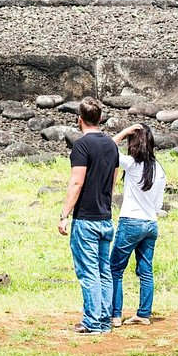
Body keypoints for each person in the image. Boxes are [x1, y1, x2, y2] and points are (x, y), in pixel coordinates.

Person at [58, 96, 119, 333]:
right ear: (101, 118)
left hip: (85, 219)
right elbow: (112, 181)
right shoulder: (112, 145)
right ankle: (103, 320)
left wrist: (64, 214)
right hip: (105, 217)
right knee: (104, 271)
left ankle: (92, 322)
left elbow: (76, 183)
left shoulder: (81, 146)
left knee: (89, 272)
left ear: (79, 120)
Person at [109, 123, 165, 327]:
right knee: (146, 270)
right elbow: (158, 205)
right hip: (151, 223)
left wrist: (124, 132)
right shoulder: (159, 169)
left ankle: (115, 315)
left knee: (115, 269)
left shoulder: (132, 164)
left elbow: (107, 146)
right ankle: (143, 313)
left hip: (131, 221)